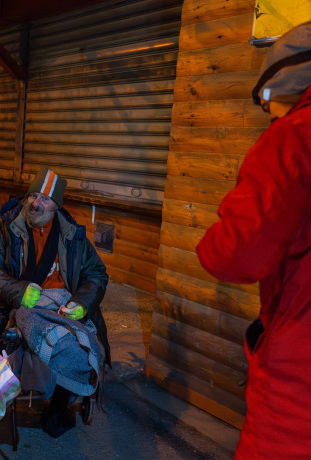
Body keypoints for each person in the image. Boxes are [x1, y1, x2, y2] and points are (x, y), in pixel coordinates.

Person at [196, 22, 311, 459]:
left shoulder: (294, 136)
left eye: (264, 99)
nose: (267, 112)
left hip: (298, 382)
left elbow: (233, 251)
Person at [0, 166, 110, 437]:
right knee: (50, 339)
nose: (36, 203)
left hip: (63, 303)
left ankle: (61, 402)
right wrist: (18, 291)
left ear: (56, 205)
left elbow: (96, 274)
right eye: (33, 196)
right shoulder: (4, 231)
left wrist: (82, 303)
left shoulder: (74, 236)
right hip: (20, 302)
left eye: (45, 199)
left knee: (76, 342)